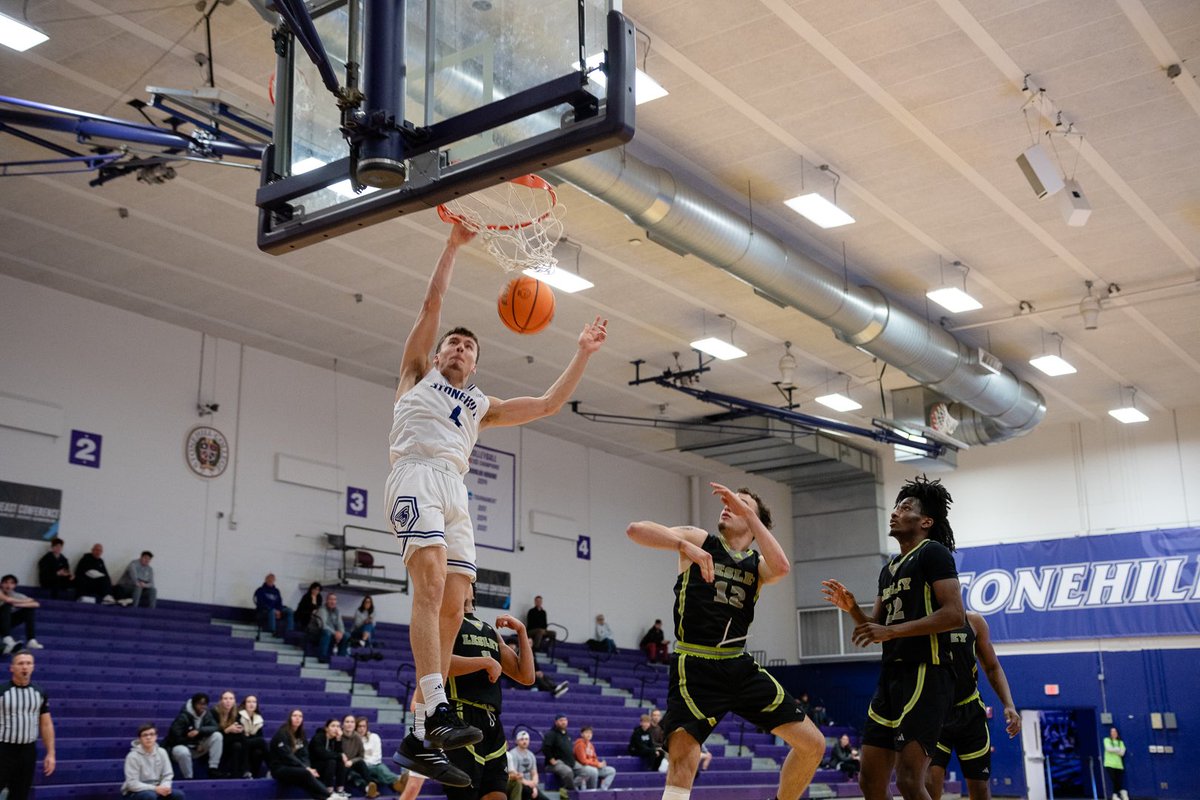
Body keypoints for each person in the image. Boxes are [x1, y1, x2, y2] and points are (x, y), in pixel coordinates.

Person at [387, 223, 607, 784]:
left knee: (455, 610)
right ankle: (437, 711)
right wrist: (453, 246)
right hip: (415, 473)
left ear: (476, 365)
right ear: (438, 355)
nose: (459, 349)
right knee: (430, 582)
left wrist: (581, 353)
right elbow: (432, 302)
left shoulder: (482, 405)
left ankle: (418, 735)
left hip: (455, 489)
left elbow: (549, 404)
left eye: (469, 348)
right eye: (453, 344)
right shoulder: (416, 374)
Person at [627, 482, 826, 800]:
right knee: (683, 758)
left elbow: (782, 567)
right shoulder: (699, 539)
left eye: (739, 503)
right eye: (728, 501)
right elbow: (636, 530)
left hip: (738, 665)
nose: (727, 505)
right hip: (694, 664)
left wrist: (751, 513)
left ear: (752, 518)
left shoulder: (757, 565)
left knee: (813, 745)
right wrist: (683, 545)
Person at [822, 475, 965, 800]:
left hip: (927, 672)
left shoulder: (934, 553)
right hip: (892, 677)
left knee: (909, 779)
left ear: (926, 521)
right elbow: (876, 628)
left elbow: (955, 614)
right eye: (896, 506)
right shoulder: (889, 568)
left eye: (905, 507)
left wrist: (892, 631)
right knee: (870, 782)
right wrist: (853, 609)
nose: (895, 512)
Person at [441, 585, 535, 794]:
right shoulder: (447, 621)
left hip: (492, 722)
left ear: (472, 591)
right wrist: (483, 662)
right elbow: (438, 664)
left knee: (497, 793)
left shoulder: (490, 630)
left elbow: (526, 676)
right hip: (461, 715)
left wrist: (521, 631)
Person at [925, 612, 1021, 800]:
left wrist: (1008, 704)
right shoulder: (922, 619)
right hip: (935, 713)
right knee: (930, 782)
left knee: (981, 789)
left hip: (969, 711)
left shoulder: (973, 621)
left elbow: (992, 667)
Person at [0, 651, 55, 800]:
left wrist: (50, 753)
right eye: (20, 663)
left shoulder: (39, 692)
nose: (24, 667)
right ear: (12, 668)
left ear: (33, 667)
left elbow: (46, 724)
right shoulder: (2, 691)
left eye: (28, 663)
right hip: (3, 749)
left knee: (20, 793)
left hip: (27, 751)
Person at [268, 708, 344, 800]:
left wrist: (308, 766)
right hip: (279, 768)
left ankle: (326, 798)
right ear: (289, 718)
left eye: (300, 716)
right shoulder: (282, 733)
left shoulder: (301, 734)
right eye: (295, 716)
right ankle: (329, 795)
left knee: (306, 778)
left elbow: (304, 754)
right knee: (306, 773)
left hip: (294, 767)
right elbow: (287, 755)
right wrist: (306, 768)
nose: (297, 718)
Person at [165, 692, 223, 779]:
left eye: (205, 704)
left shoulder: (206, 714)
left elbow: (215, 727)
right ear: (194, 704)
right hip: (179, 747)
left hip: (198, 747)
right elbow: (174, 738)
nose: (202, 707)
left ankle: (213, 768)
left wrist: (199, 731)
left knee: (217, 736)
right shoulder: (183, 717)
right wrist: (195, 745)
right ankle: (188, 777)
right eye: (200, 704)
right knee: (183, 751)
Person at [122, 722, 185, 800]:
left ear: (156, 737)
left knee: (178, 795)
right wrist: (155, 788)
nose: (148, 737)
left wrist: (164, 787)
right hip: (135, 792)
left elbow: (168, 775)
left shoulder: (162, 752)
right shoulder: (132, 756)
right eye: (145, 735)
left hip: (157, 788)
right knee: (149, 796)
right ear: (139, 739)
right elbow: (132, 784)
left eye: (151, 734)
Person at [356, 717, 406, 792]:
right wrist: (364, 764)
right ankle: (398, 780)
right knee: (380, 769)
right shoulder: (354, 740)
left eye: (364, 726)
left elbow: (377, 756)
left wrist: (367, 762)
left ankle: (398, 784)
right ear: (356, 728)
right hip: (361, 767)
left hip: (374, 764)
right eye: (359, 726)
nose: (362, 729)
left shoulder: (374, 737)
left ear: (367, 727)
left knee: (380, 768)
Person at [541, 714, 584, 796]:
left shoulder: (566, 734)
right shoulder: (551, 734)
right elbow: (545, 748)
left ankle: (566, 789)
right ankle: (572, 792)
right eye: (561, 720)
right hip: (556, 762)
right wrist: (551, 759)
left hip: (569, 761)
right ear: (556, 722)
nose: (563, 722)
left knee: (586, 772)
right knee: (568, 772)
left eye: (565, 720)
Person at [1, 575, 44, 653]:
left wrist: (17, 604)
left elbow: (36, 604)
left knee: (29, 610)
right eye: (6, 583)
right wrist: (25, 601)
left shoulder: (16, 595)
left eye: (11, 583)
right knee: (6, 605)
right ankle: (7, 639)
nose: (8, 585)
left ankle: (31, 640)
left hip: (6, 622)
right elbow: (7, 600)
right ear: (1, 584)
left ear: (15, 585)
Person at [340, 713, 378, 797]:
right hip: (340, 763)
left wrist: (352, 761)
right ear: (342, 724)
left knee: (361, 763)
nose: (350, 724)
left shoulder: (357, 737)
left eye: (352, 722)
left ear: (354, 725)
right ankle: (367, 788)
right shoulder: (338, 736)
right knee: (350, 772)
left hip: (352, 763)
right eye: (347, 722)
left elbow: (361, 755)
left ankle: (370, 786)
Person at [211, 691, 247, 779]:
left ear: (234, 701)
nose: (228, 701)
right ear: (221, 701)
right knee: (242, 739)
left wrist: (239, 729)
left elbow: (238, 727)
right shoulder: (214, 712)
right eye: (225, 698)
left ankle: (236, 774)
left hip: (230, 741)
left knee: (237, 744)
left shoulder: (236, 713)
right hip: (217, 742)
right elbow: (212, 731)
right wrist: (227, 730)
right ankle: (245, 769)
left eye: (231, 699)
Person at [309, 718, 348, 794]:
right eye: (333, 726)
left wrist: (338, 739)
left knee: (340, 761)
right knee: (332, 761)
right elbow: (322, 754)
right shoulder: (318, 737)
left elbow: (339, 752)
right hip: (315, 765)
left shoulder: (335, 739)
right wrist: (340, 756)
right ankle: (328, 790)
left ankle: (340, 789)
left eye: (338, 726)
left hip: (328, 767)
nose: (336, 729)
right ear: (326, 728)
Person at [573, 725, 615, 790]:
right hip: (582, 767)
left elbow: (594, 758)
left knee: (611, 770)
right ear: (582, 734)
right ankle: (592, 790)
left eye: (590, 733)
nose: (589, 735)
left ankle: (603, 788)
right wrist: (597, 764)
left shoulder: (590, 745)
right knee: (593, 771)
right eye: (587, 732)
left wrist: (600, 764)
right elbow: (583, 761)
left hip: (592, 766)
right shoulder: (579, 744)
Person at [309, 593, 349, 661]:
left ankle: (341, 658)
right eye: (330, 599)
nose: (332, 601)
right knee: (326, 632)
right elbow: (323, 625)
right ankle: (322, 657)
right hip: (317, 633)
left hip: (331, 633)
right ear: (327, 600)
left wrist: (340, 634)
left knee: (346, 635)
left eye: (334, 599)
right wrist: (335, 633)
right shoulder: (322, 609)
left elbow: (340, 625)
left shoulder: (337, 611)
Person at [238, 695, 268, 778]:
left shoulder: (258, 718)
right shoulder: (239, 715)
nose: (252, 704)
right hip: (240, 742)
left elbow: (259, 736)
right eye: (249, 702)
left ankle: (253, 775)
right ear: (244, 704)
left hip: (251, 744)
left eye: (254, 702)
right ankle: (272, 767)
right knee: (261, 742)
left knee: (258, 752)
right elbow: (239, 735)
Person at [506, 729, 540, 800]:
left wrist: (534, 785)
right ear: (517, 741)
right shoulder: (513, 754)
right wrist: (529, 784)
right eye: (522, 739)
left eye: (526, 739)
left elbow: (534, 773)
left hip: (529, 784)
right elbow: (515, 775)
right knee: (527, 791)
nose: (524, 741)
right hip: (520, 783)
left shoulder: (531, 755)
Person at [1103, 726, 1128, 800]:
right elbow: (1108, 749)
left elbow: (1122, 753)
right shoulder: (1106, 740)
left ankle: (1117, 794)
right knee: (1114, 780)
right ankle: (1120, 793)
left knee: (1117, 780)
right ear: (1110, 733)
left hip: (1119, 765)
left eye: (1115, 732)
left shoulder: (1121, 742)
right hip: (1109, 764)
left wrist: (1115, 750)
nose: (1114, 733)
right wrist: (1117, 749)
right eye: (1112, 732)